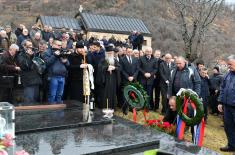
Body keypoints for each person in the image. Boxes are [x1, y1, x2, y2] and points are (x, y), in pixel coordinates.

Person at [218, 55, 235, 152]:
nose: (229, 66)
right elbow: (223, 88)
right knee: (228, 126)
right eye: (228, 64)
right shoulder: (228, 74)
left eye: (230, 64)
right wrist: (220, 101)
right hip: (226, 105)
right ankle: (231, 145)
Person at [96, 44, 121, 109]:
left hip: (113, 80)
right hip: (105, 81)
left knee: (112, 94)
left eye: (111, 53)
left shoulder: (115, 60)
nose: (110, 54)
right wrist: (107, 68)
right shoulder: (102, 60)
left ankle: (112, 107)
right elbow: (100, 68)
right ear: (106, 53)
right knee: (105, 94)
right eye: (109, 53)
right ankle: (105, 107)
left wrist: (114, 68)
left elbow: (119, 68)